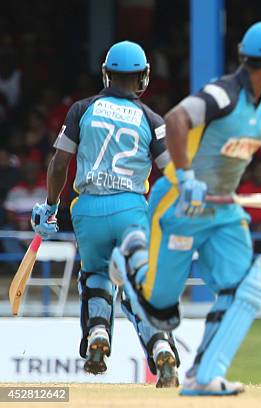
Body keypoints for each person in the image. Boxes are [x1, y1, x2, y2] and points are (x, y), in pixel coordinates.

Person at [109, 21, 261, 396]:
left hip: (223, 210)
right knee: (160, 310)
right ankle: (131, 256)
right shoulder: (223, 94)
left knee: (245, 288)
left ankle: (204, 376)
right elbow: (176, 119)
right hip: (180, 202)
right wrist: (185, 178)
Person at [30, 41, 179, 387]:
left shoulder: (81, 110)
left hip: (89, 212)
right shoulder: (151, 119)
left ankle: (99, 331)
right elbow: (173, 175)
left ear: (106, 73)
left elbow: (60, 164)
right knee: (140, 284)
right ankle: (160, 346)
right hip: (131, 210)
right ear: (143, 77)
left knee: (95, 276)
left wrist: (51, 207)